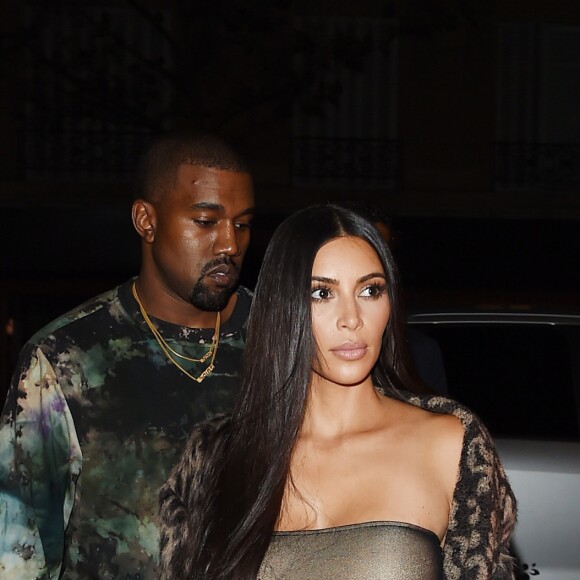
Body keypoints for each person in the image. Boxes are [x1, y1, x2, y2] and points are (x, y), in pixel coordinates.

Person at [158, 204, 517, 580]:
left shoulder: (451, 444)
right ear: (283, 307)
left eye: (370, 290)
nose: (352, 318)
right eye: (321, 294)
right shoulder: (217, 457)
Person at [0, 131, 255, 578]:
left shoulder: (282, 335)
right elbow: (19, 552)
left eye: (243, 224)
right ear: (146, 221)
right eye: (205, 222)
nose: (230, 244)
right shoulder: (66, 357)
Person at [338, 200, 449, 395]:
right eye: (322, 294)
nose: (351, 319)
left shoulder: (420, 353)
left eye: (383, 252)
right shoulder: (287, 356)